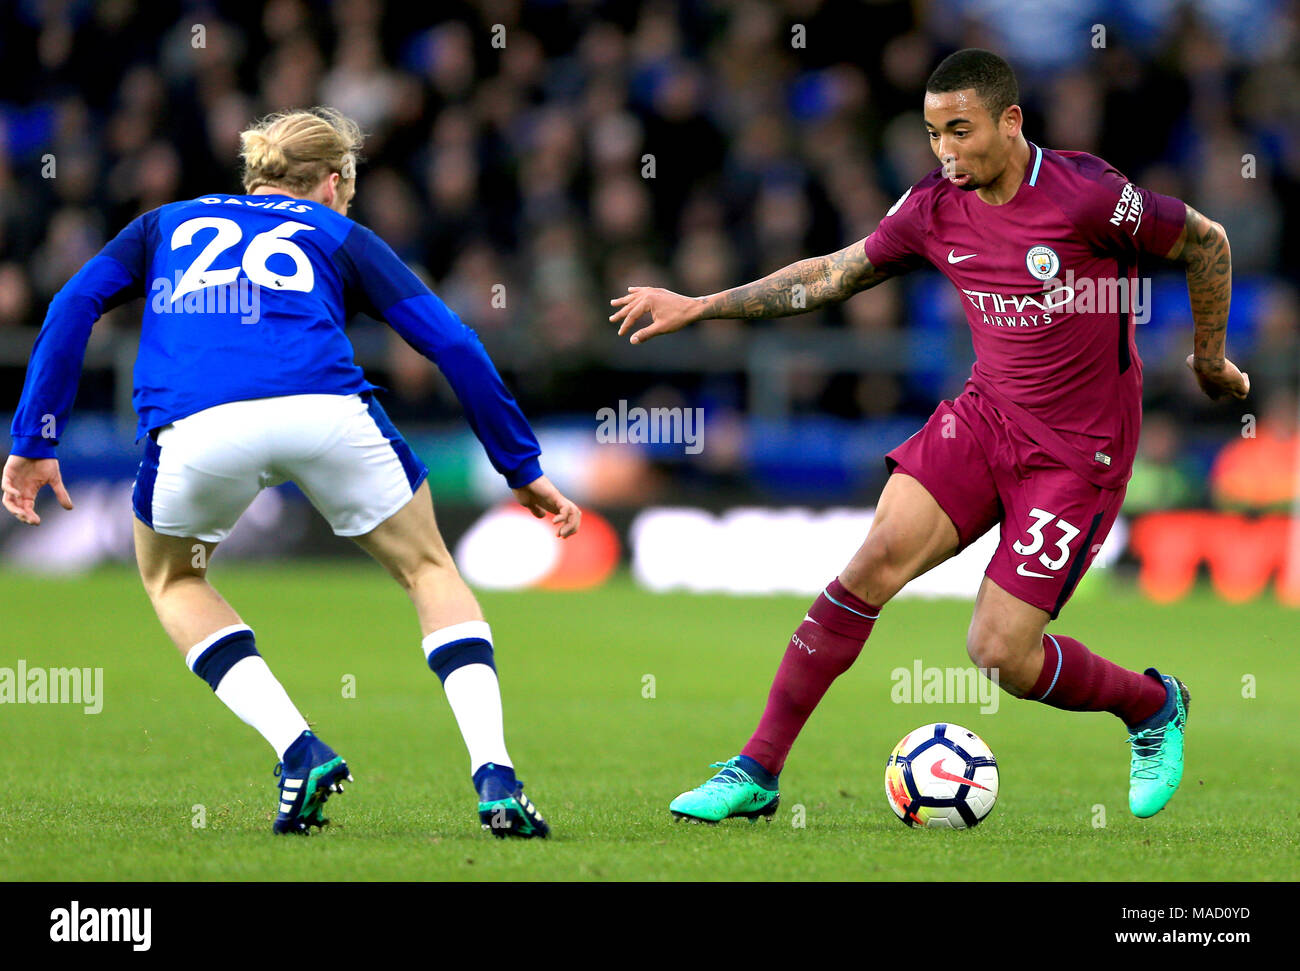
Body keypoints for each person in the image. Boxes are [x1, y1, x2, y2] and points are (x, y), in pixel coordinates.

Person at [610, 49, 1248, 823]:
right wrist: (701, 303)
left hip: (1079, 456)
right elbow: (830, 275)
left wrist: (1210, 360)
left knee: (1000, 653)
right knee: (869, 563)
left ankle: (1152, 706)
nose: (945, 151)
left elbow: (1206, 240)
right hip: (985, 420)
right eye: (932, 133)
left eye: (961, 130)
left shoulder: (1087, 196)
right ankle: (756, 772)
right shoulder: (933, 208)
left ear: (1011, 122)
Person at [3, 107, 580, 837]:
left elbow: (71, 303)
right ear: (334, 182)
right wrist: (520, 466)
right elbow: (456, 343)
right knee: (430, 568)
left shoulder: (162, 224)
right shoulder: (341, 233)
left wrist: (35, 435)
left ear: (256, 175)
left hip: (196, 425)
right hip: (326, 410)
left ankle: (298, 748)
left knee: (175, 579)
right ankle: (494, 772)